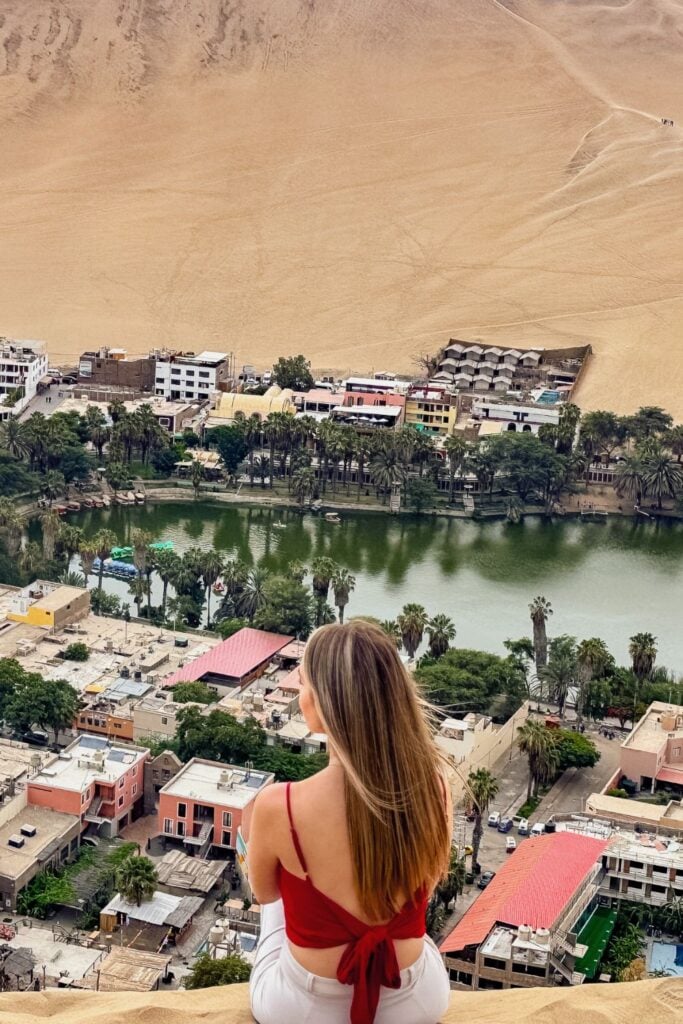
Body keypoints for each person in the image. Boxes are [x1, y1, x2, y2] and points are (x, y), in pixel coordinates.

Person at [247, 620, 452, 1024]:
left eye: (304, 684)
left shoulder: (280, 805)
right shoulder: (435, 788)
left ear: (324, 701)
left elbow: (264, 894)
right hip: (416, 1001)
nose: (300, 694)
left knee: (277, 906)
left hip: (304, 1010)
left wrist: (250, 836)